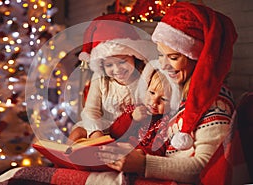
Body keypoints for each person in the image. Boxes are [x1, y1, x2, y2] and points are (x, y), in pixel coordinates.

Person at [96, 2, 238, 184]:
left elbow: (204, 166)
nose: (163, 65)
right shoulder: (178, 97)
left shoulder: (215, 104)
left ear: (198, 59)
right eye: (161, 55)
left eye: (173, 57)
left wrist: (143, 163)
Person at [67, 14, 156, 143]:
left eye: (122, 61)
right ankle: (67, 160)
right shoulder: (101, 79)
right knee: (76, 135)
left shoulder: (145, 75)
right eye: (109, 65)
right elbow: (91, 110)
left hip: (134, 127)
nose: (117, 69)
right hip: (105, 127)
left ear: (133, 56)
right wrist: (95, 132)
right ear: (102, 65)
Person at [109, 68, 176, 156]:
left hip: (136, 158)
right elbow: (114, 133)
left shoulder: (165, 122)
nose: (154, 102)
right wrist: (132, 118)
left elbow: (158, 149)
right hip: (117, 150)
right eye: (152, 93)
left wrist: (138, 153)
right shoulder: (134, 109)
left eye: (163, 99)